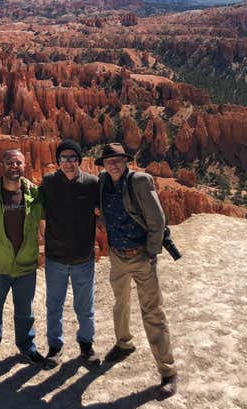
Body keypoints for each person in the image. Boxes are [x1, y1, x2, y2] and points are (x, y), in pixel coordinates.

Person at [95, 143, 178, 398]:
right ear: (104, 164)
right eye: (109, 160)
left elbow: (157, 220)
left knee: (152, 311)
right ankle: (123, 344)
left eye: (118, 159)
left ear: (126, 161)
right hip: (117, 255)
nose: (114, 164)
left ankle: (167, 371)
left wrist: (152, 253)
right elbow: (103, 214)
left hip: (142, 255)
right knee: (120, 303)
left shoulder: (140, 181)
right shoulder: (103, 182)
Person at [0, 148, 46, 367]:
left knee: (25, 310)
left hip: (25, 265)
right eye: (10, 162)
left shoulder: (35, 195)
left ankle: (27, 346)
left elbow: (48, 225)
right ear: (1, 166)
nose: (15, 166)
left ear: (25, 166)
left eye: (19, 163)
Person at [39, 139, 101, 368]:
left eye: (72, 158)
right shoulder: (48, 182)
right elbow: (35, 209)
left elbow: (104, 211)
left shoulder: (92, 183)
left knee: (84, 306)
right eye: (63, 158)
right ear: (58, 161)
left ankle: (86, 345)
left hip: (83, 258)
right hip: (55, 257)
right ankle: (54, 347)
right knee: (54, 305)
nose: (68, 163)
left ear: (79, 161)